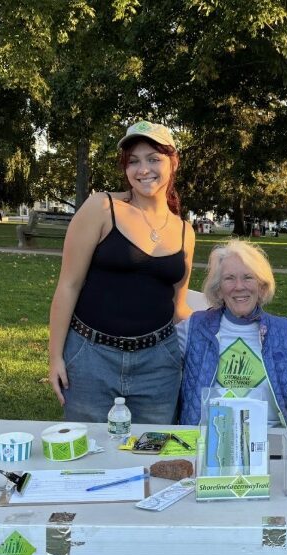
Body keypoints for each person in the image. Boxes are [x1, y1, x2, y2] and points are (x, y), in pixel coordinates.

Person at [48, 120, 195, 423]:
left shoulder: (185, 232)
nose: (143, 170)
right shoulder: (101, 208)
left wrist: (229, 329)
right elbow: (68, 286)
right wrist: (55, 358)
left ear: (173, 162)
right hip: (91, 357)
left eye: (154, 159)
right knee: (88, 456)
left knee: (151, 455)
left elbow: (179, 306)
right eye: (134, 161)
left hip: (159, 363)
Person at [176, 240, 287, 426]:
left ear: (261, 286)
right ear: (218, 289)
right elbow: (155, 356)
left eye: (248, 277)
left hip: (269, 443)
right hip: (206, 443)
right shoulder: (194, 329)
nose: (239, 286)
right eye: (229, 278)